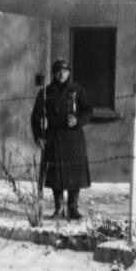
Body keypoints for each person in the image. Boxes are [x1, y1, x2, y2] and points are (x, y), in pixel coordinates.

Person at [30, 57, 93, 220]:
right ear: (53, 74)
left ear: (69, 72)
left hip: (74, 138)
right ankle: (59, 208)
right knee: (56, 175)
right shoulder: (45, 93)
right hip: (54, 137)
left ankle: (73, 209)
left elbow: (88, 110)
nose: (61, 74)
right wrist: (38, 136)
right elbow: (35, 118)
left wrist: (78, 120)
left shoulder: (77, 90)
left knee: (74, 174)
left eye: (65, 71)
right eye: (58, 71)